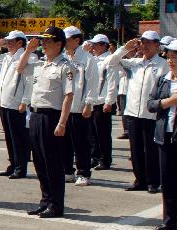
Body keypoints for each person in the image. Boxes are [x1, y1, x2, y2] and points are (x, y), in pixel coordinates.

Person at [107, 31, 168, 193]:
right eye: (142, 42)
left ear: (157, 45)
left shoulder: (163, 65)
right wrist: (124, 49)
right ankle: (139, 179)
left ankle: (153, 181)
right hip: (133, 113)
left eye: (149, 42)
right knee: (135, 149)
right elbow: (110, 63)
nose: (145, 45)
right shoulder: (134, 63)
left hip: (152, 114)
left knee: (151, 150)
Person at [22, 27, 74, 219]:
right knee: (39, 162)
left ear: (59, 44)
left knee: (53, 164)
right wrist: (28, 50)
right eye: (42, 41)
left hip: (52, 117)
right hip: (35, 116)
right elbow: (20, 69)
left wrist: (62, 123)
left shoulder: (65, 66)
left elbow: (68, 96)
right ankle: (45, 201)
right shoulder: (41, 64)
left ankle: (56, 205)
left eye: (47, 41)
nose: (43, 44)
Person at [0, 31, 34, 179]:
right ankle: (13, 164)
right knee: (9, 136)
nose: (8, 43)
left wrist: (25, 101)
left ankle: (21, 167)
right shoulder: (7, 57)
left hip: (17, 103)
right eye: (7, 41)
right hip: (4, 102)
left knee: (18, 138)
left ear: (20, 42)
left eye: (11, 41)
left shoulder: (28, 57)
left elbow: (30, 81)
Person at [147, 39, 177, 230]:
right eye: (169, 57)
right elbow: (151, 104)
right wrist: (169, 101)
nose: (170, 61)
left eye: (174, 58)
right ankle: (169, 220)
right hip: (164, 135)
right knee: (167, 180)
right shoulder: (163, 79)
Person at [60, 26, 99, 186]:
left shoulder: (87, 58)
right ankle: (67, 171)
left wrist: (89, 103)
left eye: (67, 40)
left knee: (80, 143)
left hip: (79, 106)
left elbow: (93, 82)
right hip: (63, 107)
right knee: (64, 142)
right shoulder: (62, 57)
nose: (65, 43)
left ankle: (83, 172)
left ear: (77, 40)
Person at [88, 34, 120, 170]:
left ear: (103, 45)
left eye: (95, 44)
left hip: (102, 101)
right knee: (92, 133)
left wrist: (109, 101)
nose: (93, 47)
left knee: (103, 133)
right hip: (92, 101)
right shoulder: (93, 59)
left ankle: (104, 159)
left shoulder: (109, 60)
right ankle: (94, 157)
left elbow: (112, 82)